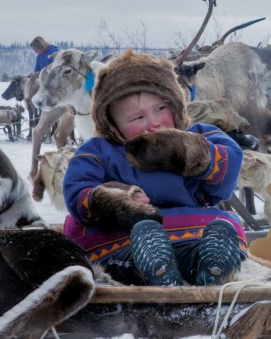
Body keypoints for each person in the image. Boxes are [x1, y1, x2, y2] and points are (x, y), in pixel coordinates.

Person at [62, 50, 247, 286]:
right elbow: (78, 192)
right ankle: (151, 269)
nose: (154, 122)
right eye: (137, 118)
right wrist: (120, 200)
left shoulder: (197, 135)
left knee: (223, 224)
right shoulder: (99, 150)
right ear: (112, 124)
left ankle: (210, 267)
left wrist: (190, 151)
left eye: (160, 109)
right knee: (131, 240)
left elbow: (226, 175)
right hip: (125, 235)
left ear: (177, 106)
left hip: (188, 230)